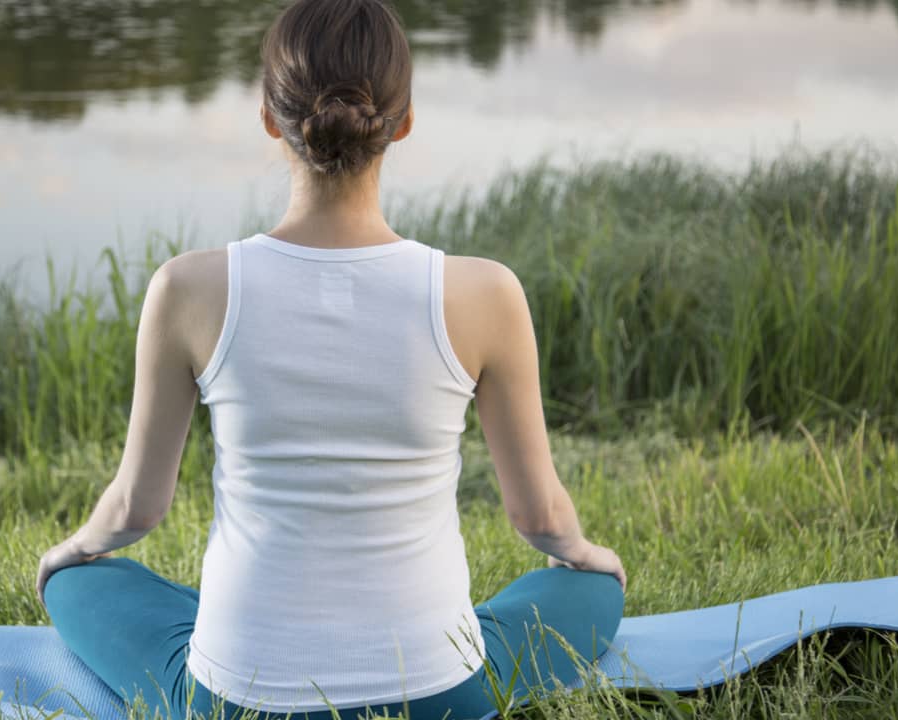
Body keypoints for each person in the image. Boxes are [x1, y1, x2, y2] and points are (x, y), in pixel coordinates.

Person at [36, 1, 626, 719]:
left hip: (237, 702)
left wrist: (72, 551)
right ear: (403, 122)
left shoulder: (187, 289)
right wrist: (588, 556)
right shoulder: (485, 292)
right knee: (588, 586)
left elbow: (136, 508)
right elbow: (538, 517)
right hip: (439, 698)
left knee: (81, 581)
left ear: (268, 117)